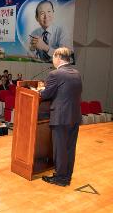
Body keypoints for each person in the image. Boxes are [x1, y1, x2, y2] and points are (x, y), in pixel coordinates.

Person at [40, 47, 82, 187]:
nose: (52, 60)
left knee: (60, 148)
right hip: (74, 116)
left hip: (61, 117)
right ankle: (67, 176)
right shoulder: (76, 73)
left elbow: (46, 95)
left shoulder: (56, 74)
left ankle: (60, 178)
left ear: (58, 57)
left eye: (53, 57)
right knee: (70, 148)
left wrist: (41, 90)